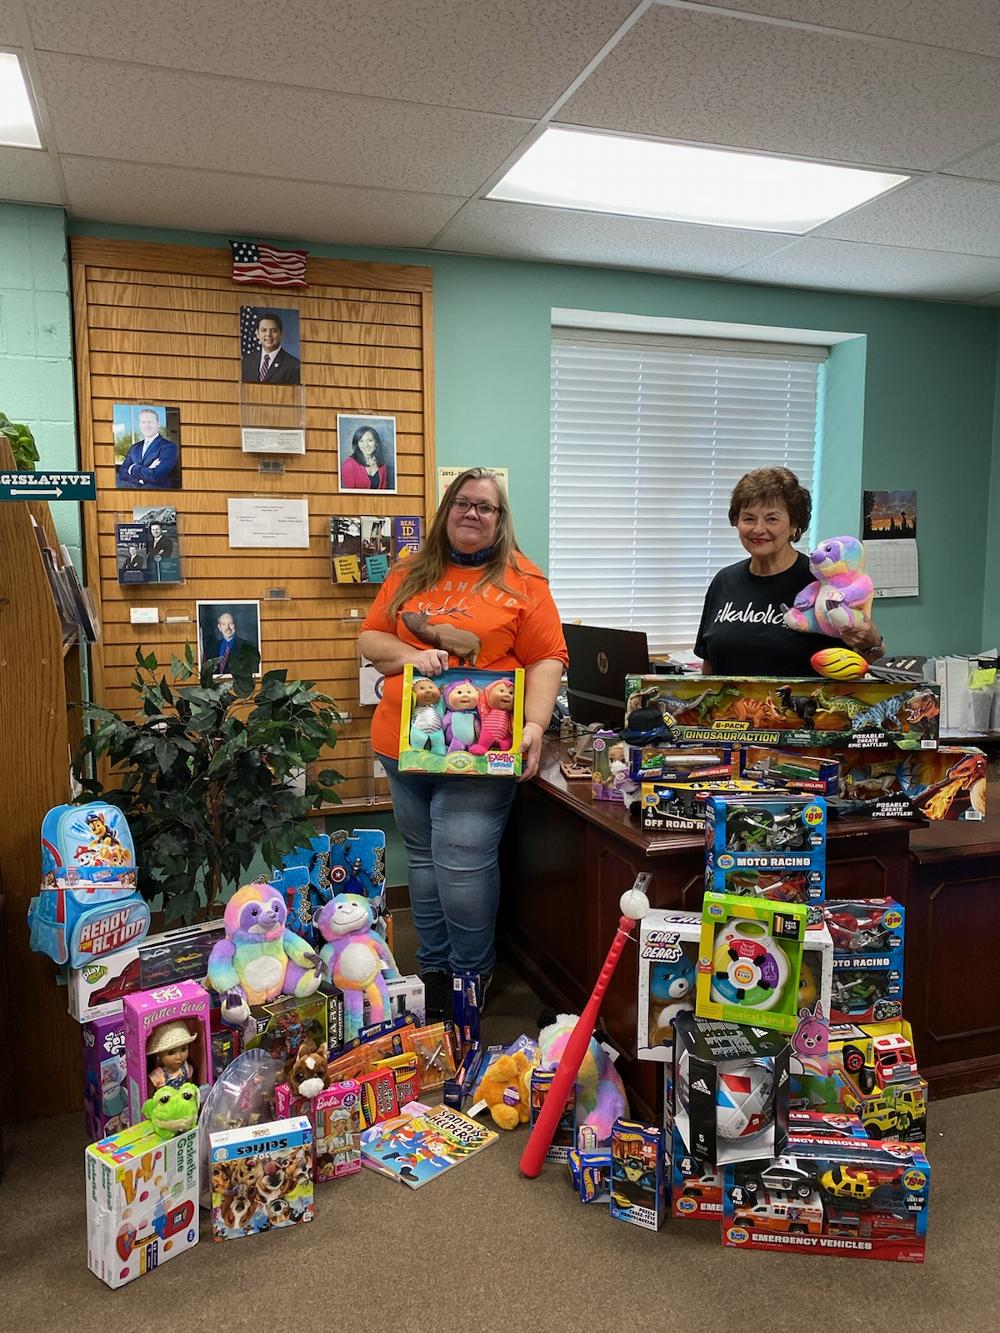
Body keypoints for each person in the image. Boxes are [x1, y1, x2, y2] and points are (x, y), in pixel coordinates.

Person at [358, 468, 567, 1019]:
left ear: (500, 520)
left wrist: (536, 725)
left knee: (461, 857)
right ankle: (434, 966)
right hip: (404, 739)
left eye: (485, 507)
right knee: (424, 858)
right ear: (446, 508)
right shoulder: (408, 571)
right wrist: (410, 657)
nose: (472, 514)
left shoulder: (524, 579)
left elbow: (549, 658)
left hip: (483, 742)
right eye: (463, 503)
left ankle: (470, 975)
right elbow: (372, 639)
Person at [695, 467, 883, 677]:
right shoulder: (724, 581)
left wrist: (872, 643)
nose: (758, 529)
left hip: (808, 708)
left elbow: (865, 662)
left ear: (794, 525)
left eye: (772, 519)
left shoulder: (823, 582)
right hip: (729, 709)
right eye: (748, 518)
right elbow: (709, 667)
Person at [116, 408, 180, 489]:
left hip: (159, 497)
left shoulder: (168, 447)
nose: (146, 425)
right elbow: (122, 473)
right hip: (135, 495)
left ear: (157, 424)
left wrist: (132, 468)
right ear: (139, 424)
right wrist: (141, 478)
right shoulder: (135, 447)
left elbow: (155, 475)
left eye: (150, 422)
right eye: (143, 422)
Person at [241, 310, 301, 385]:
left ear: (281, 334)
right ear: (257, 334)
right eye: (263, 330)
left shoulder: (293, 365)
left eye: (274, 331)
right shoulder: (246, 361)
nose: (268, 334)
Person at [341, 425, 390, 490]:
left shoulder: (382, 464)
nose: (366, 445)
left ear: (376, 443)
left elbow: (384, 491)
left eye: (370, 440)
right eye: (361, 441)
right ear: (357, 444)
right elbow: (350, 496)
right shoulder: (349, 464)